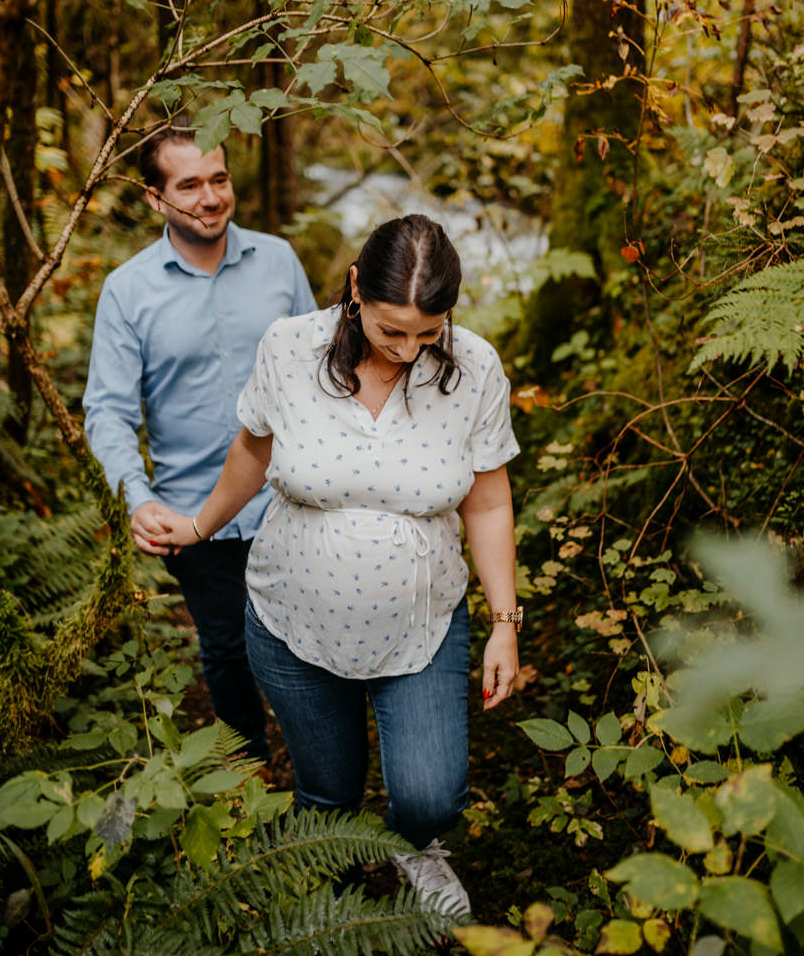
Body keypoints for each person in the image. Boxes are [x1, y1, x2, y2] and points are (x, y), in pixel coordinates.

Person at [137, 214, 521, 914]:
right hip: (292, 622)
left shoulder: (474, 368)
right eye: (391, 330)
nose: (408, 350)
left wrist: (504, 623)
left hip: (422, 625)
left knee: (431, 797)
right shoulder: (289, 348)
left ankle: (416, 848)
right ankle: (333, 890)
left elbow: (489, 501)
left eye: (427, 332)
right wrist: (197, 526)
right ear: (354, 289)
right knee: (327, 788)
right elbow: (252, 450)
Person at [83, 125, 315, 762]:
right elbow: (107, 411)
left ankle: (325, 782)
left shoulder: (279, 261)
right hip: (195, 516)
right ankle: (249, 772)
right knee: (227, 649)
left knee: (310, 644)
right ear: (155, 197)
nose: (210, 197)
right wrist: (137, 498)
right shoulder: (127, 290)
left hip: (292, 500)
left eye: (219, 179)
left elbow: (322, 373)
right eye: (189, 185)